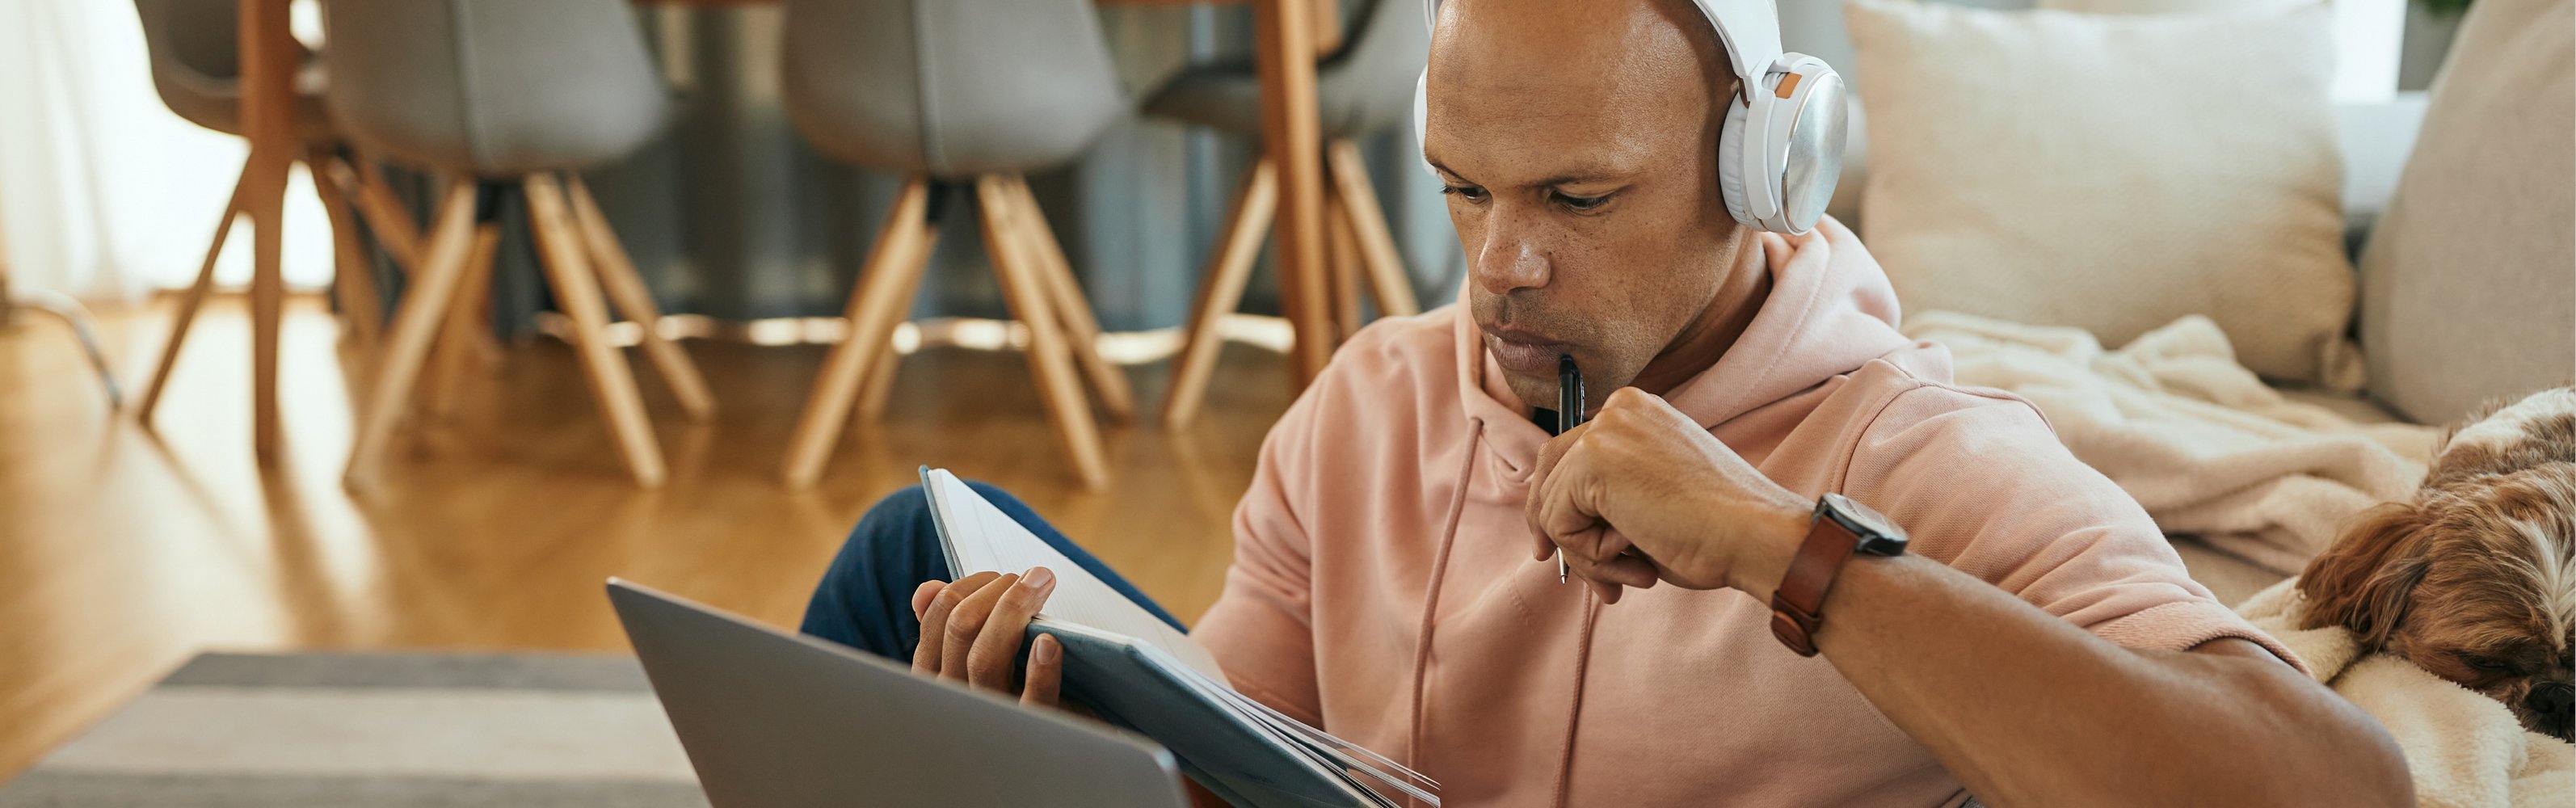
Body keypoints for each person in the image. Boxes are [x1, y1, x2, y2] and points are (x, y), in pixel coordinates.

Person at [800, 0, 2413, 804]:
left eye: (1576, 196)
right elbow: (1248, 746)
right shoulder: (1365, 407)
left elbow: (2332, 784)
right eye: (1461, 190)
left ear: (1758, 170)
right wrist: (1063, 757)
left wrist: (1789, 551)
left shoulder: (1920, 449)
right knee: (912, 559)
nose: (1498, 267)